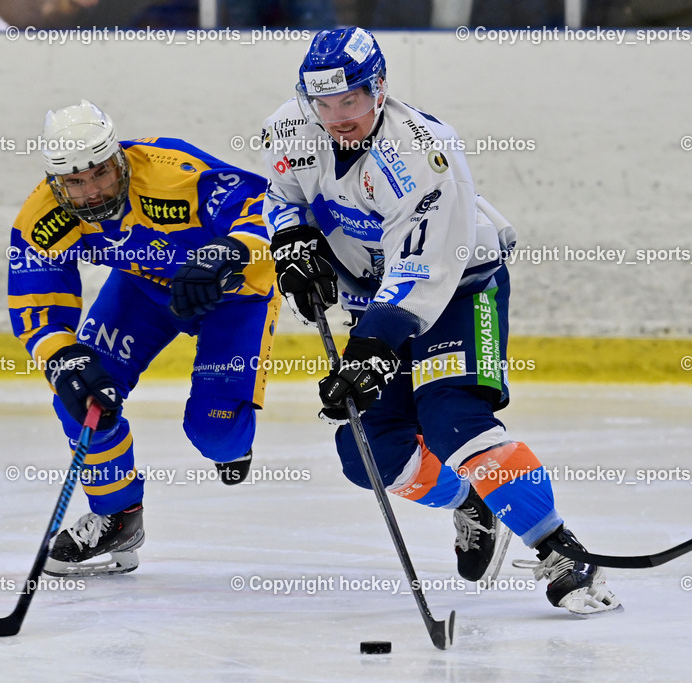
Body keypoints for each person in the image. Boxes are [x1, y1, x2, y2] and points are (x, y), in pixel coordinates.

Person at [261, 27, 621, 614]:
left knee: (453, 419)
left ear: (378, 88)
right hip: (375, 300)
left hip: (457, 287)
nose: (338, 118)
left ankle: (560, 548)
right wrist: (291, 240)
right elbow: (282, 197)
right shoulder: (289, 128)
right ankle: (472, 503)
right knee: (368, 452)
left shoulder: (423, 152)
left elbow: (423, 269)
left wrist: (373, 348)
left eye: (350, 100)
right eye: (323, 104)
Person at [9, 100, 278, 576]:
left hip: (233, 294)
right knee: (81, 395)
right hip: (142, 290)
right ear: (56, 181)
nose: (93, 191)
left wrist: (225, 252)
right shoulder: (43, 216)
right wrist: (63, 359)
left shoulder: (171, 170)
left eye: (100, 172)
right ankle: (119, 516)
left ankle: (231, 445)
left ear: (119, 159)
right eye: (75, 181)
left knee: (214, 434)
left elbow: (264, 208)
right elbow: (38, 307)